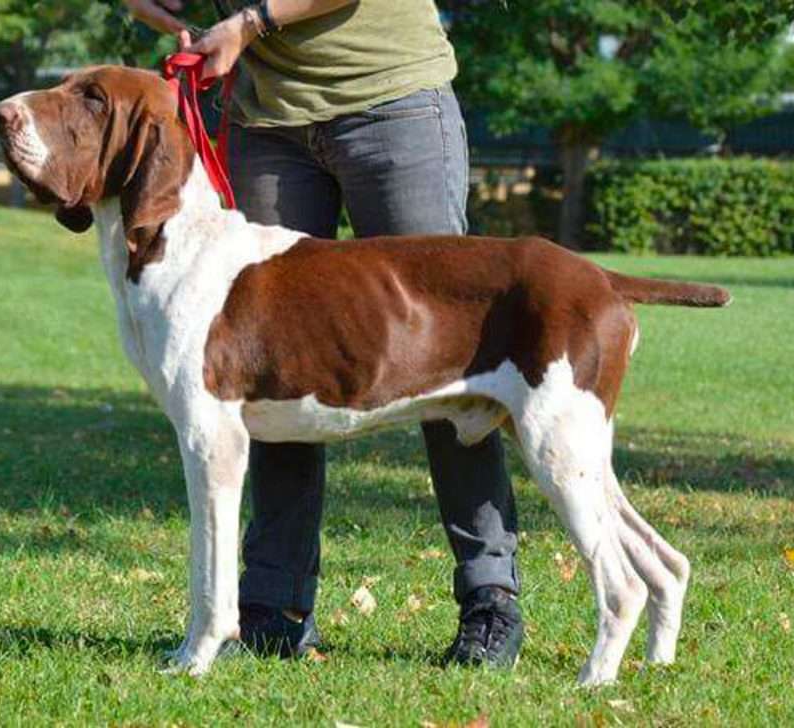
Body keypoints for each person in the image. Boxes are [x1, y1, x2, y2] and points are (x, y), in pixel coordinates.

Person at [124, 0, 524, 667]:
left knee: (452, 365)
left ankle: (490, 597)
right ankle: (272, 608)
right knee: (268, 371)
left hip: (392, 103)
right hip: (269, 122)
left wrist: (251, 23)